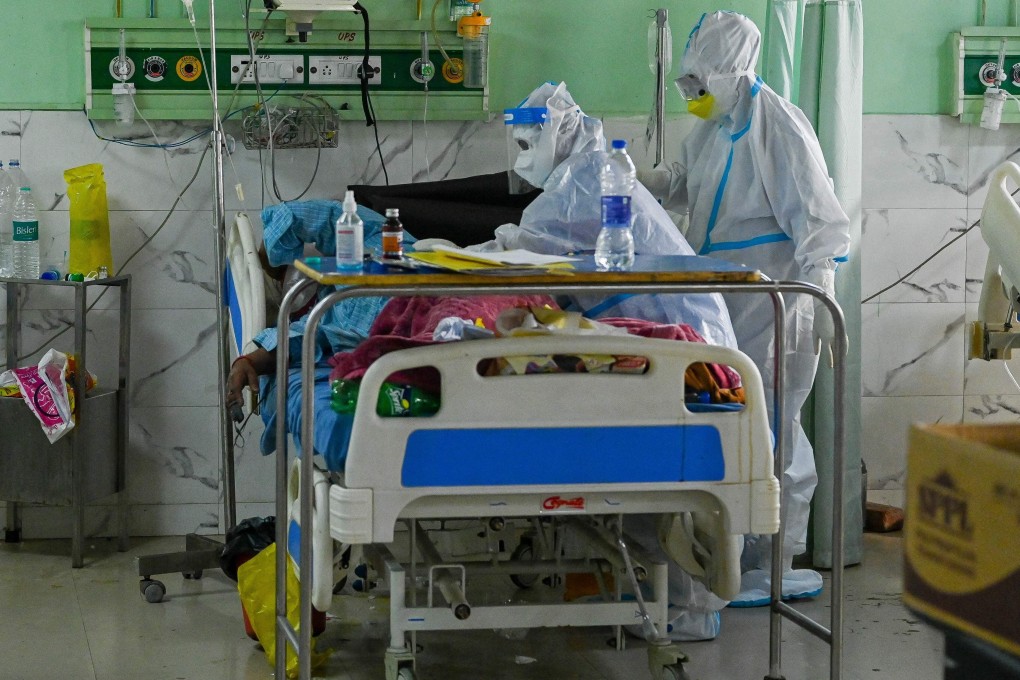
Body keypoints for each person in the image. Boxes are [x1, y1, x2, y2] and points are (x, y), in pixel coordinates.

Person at [640, 11, 852, 606]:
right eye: (687, 86)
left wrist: (820, 299)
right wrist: (644, 178)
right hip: (728, 302)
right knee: (739, 424)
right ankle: (737, 555)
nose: (693, 97)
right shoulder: (715, 127)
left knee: (777, 429)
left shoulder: (777, 126)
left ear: (729, 72)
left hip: (779, 300)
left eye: (699, 84)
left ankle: (778, 559)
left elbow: (821, 221)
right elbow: (685, 180)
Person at [419, 80, 738, 350]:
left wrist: (445, 258)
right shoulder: (589, 172)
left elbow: (515, 253)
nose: (523, 159)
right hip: (686, 332)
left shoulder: (582, 183)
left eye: (526, 145)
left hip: (686, 341)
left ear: (556, 131)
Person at [226, 199, 414, 462]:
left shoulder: (374, 239)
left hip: (441, 297)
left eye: (285, 273)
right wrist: (247, 362)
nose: (292, 279)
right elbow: (295, 342)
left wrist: (269, 259)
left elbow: (303, 215)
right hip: (419, 346)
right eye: (283, 283)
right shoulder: (326, 317)